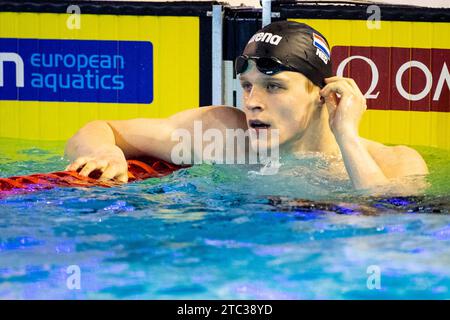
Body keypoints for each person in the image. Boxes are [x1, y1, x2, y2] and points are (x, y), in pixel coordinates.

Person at [65, 21, 428, 192]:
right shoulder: (225, 135)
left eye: (274, 87)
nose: (253, 103)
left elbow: (387, 223)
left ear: (324, 93)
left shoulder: (395, 162)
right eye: (247, 87)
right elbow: (98, 129)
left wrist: (346, 135)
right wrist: (105, 152)